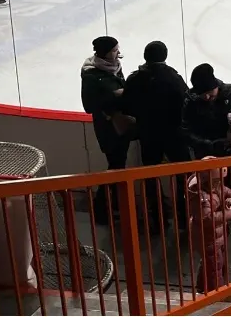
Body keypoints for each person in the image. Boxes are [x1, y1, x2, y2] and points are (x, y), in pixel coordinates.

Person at [81, 36, 132, 220]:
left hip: (121, 123)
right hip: (108, 127)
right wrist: (114, 96)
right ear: (105, 53)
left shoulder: (115, 66)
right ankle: (101, 207)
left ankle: (114, 204)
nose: (118, 53)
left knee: (118, 164)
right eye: (114, 50)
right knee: (116, 165)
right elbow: (89, 106)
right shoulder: (91, 75)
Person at [123, 40, 190, 169]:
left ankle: (153, 190)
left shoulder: (134, 79)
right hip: (173, 132)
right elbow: (185, 102)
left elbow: (127, 106)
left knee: (151, 172)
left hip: (148, 134)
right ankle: (183, 190)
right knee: (184, 170)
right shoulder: (173, 78)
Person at [182, 63, 231, 159]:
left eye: (209, 92)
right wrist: (209, 145)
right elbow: (185, 131)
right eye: (202, 94)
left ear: (215, 85)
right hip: (206, 154)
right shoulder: (191, 101)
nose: (207, 97)